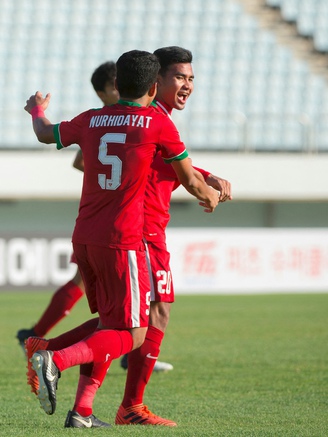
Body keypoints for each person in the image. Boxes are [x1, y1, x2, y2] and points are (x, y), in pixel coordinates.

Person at [24, 49, 219, 428]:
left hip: (84, 236)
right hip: (123, 239)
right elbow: (190, 180)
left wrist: (36, 109)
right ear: (152, 85)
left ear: (119, 85)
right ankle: (55, 358)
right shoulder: (156, 124)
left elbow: (45, 134)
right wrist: (211, 194)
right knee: (132, 333)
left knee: (111, 324)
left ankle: (80, 409)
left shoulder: (92, 119)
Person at [17, 61, 172, 373]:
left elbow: (52, 138)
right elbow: (79, 161)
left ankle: (45, 349)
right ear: (104, 91)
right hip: (118, 227)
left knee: (106, 309)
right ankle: (52, 349)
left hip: (97, 224)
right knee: (123, 318)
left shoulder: (103, 121)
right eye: (114, 84)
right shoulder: (117, 121)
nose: (120, 88)